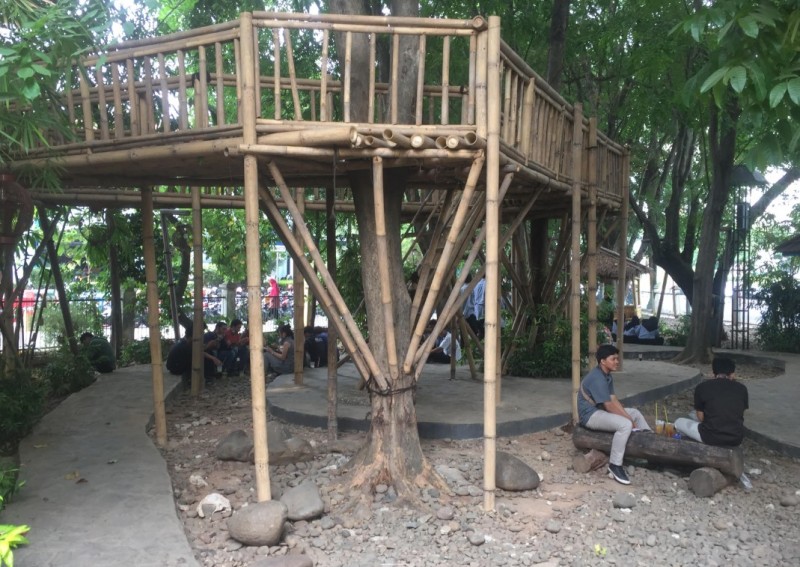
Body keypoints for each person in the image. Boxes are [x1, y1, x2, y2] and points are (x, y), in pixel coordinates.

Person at [577, 344, 652, 485]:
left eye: (617, 359)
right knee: (625, 425)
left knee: (635, 413)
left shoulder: (607, 375)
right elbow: (609, 406)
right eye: (613, 359)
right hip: (590, 416)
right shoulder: (597, 378)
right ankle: (615, 465)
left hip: (601, 410)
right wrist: (629, 421)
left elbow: (613, 399)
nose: (617, 362)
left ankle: (651, 444)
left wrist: (629, 417)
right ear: (603, 361)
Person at [674, 357, 748, 447]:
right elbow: (740, 413)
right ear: (732, 374)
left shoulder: (702, 387)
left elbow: (701, 417)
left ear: (713, 373)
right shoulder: (742, 389)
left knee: (679, 422)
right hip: (736, 439)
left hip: (710, 437)